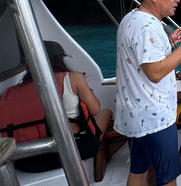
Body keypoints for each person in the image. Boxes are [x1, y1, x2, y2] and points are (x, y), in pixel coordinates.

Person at [115, 0, 181, 186]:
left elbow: (142, 61)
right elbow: (154, 73)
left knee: (138, 170)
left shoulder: (131, 19)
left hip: (136, 115)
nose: (178, 0)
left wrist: (169, 45)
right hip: (154, 118)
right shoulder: (147, 26)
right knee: (167, 177)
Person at [0, 41, 112, 172]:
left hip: (26, 161)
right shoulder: (73, 77)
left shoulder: (12, 91)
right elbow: (95, 110)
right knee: (106, 112)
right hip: (73, 151)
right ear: (60, 59)